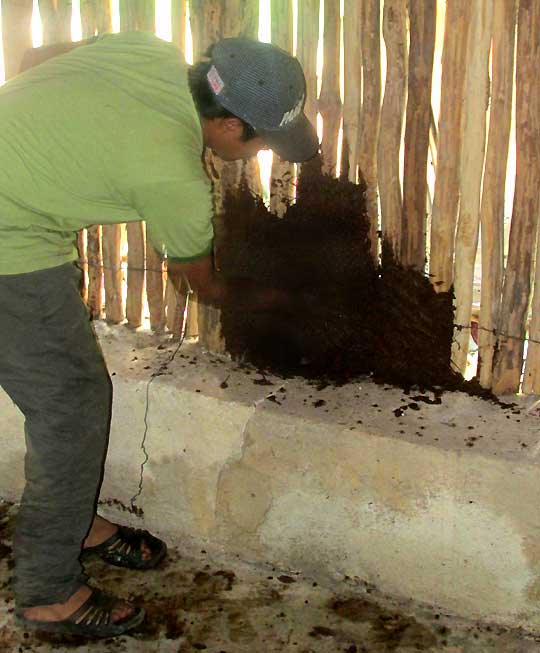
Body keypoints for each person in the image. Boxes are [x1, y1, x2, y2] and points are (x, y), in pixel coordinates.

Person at [0, 31, 318, 638]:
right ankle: (47, 594)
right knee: (71, 408)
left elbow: (34, 59)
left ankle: (74, 521)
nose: (257, 157)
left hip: (15, 213)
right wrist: (283, 298)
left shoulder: (144, 52)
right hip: (7, 247)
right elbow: (204, 286)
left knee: (64, 392)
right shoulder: (175, 176)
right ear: (227, 126)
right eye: (260, 143)